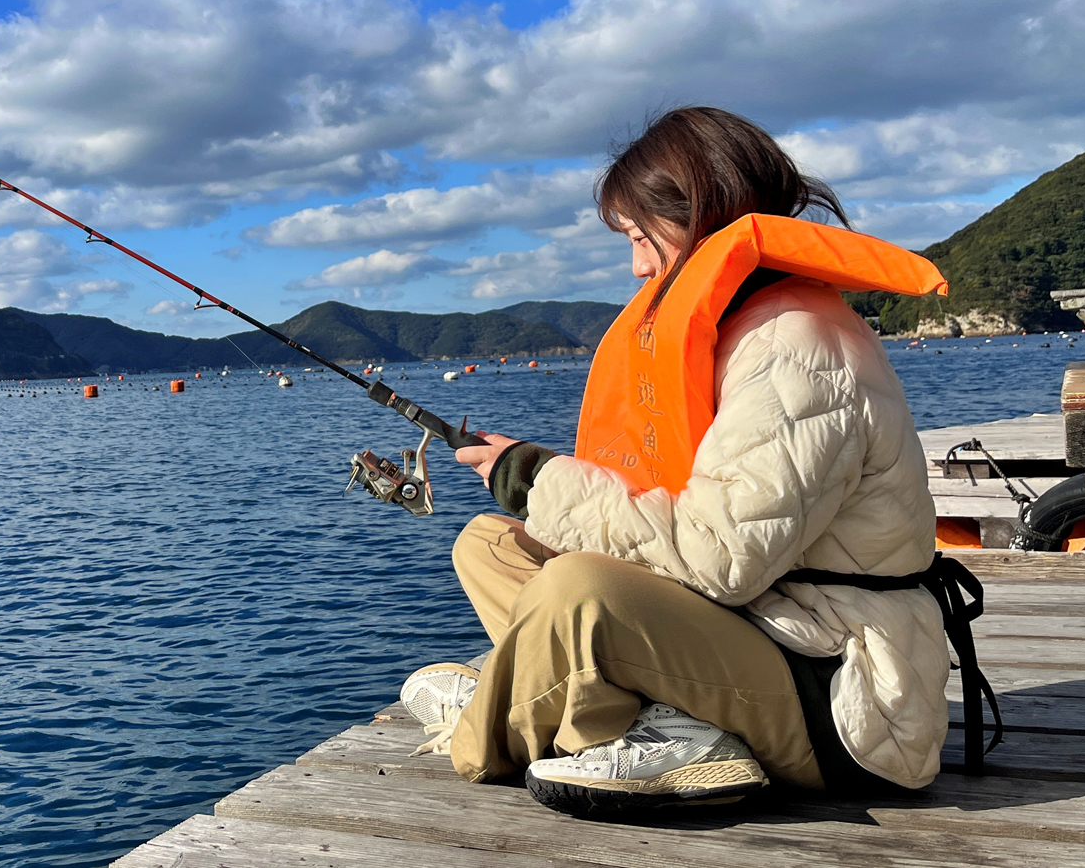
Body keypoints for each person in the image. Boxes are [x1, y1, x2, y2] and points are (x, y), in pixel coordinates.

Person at [398, 106, 962, 819]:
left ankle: (484, 720)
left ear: (704, 211)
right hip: (768, 624)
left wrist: (545, 480)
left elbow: (719, 557)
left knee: (577, 591)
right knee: (492, 546)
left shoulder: (798, 348)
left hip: (846, 696)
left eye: (641, 236)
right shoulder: (745, 327)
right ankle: (663, 723)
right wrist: (531, 484)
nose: (637, 265)